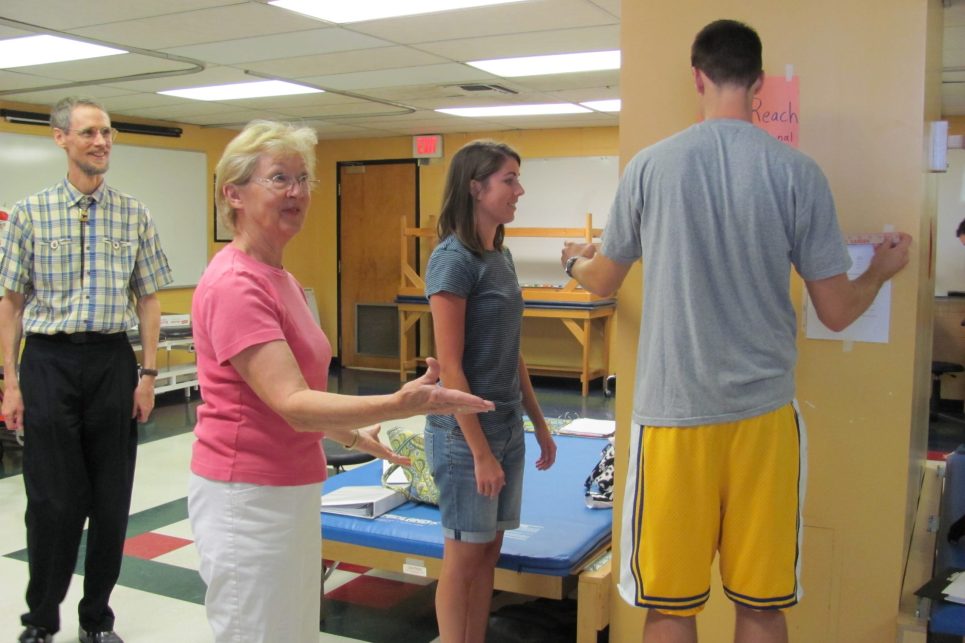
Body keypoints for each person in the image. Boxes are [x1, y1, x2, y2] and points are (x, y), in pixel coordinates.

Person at [560, 19, 912, 643]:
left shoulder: (650, 168)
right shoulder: (798, 174)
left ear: (698, 77)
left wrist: (573, 260)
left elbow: (602, 282)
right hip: (764, 422)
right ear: (759, 85)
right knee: (761, 605)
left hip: (674, 421)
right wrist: (881, 271)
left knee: (669, 607)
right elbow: (834, 310)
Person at [187, 120, 494, 643]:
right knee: (257, 632)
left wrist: (351, 436)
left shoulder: (278, 276)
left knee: (291, 630)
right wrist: (398, 405)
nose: (297, 193)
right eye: (279, 178)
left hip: (290, 483)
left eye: (304, 179)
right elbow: (291, 402)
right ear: (232, 194)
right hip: (248, 495)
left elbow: (289, 394)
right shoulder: (235, 283)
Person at [0, 96, 173, 643]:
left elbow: (148, 301)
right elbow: (11, 303)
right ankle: (40, 620)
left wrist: (147, 376)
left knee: (111, 495)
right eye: (89, 133)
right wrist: (9, 380)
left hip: (110, 362)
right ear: (61, 139)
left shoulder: (135, 213)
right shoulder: (28, 213)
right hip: (48, 361)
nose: (101, 142)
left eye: (107, 132)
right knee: (51, 499)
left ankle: (95, 619)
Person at [424, 139, 557, 643]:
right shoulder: (452, 260)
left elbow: (511, 350)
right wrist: (479, 452)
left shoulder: (501, 256)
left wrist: (539, 424)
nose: (519, 190)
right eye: (509, 180)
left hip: (506, 428)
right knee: (462, 558)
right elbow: (451, 367)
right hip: (463, 437)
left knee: (488, 554)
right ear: (476, 188)